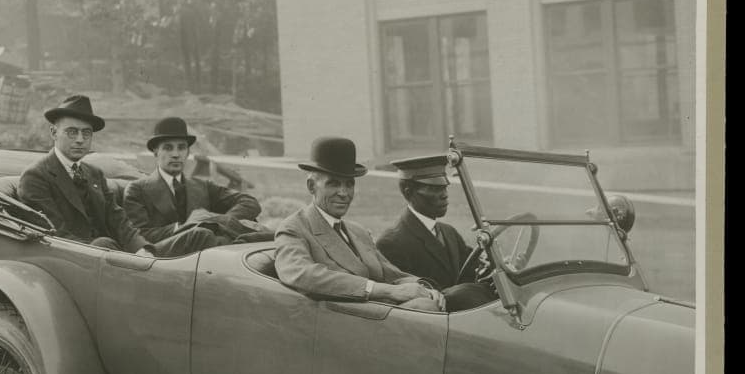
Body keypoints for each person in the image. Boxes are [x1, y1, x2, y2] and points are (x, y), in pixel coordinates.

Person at [19, 95, 219, 257]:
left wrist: (142, 250)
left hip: (117, 255)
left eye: (86, 133)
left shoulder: (94, 174)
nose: (80, 140)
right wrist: (116, 253)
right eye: (72, 132)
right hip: (81, 261)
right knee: (103, 243)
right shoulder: (36, 177)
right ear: (54, 132)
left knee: (200, 235)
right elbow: (57, 236)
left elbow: (118, 220)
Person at [274, 136, 445, 310]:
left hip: (378, 315)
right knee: (427, 308)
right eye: (333, 184)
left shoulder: (358, 231)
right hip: (341, 319)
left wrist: (424, 288)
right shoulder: (294, 228)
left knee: (446, 301)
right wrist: (387, 291)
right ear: (311, 186)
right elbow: (303, 275)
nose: (343, 193)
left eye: (349, 184)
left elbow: (391, 274)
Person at [123, 116, 264, 248]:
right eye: (168, 148)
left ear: (188, 152)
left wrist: (220, 221)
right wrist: (188, 225)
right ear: (155, 152)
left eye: (181, 147)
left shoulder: (202, 186)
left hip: (206, 255)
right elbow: (139, 236)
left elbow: (249, 202)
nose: (176, 154)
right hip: (165, 257)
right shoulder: (137, 190)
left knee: (263, 235)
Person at [376, 155, 494, 312]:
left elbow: (472, 271)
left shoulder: (449, 232)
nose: (444, 195)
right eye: (434, 189)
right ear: (408, 191)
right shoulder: (391, 243)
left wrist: (493, 263)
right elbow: (403, 303)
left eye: (444, 187)